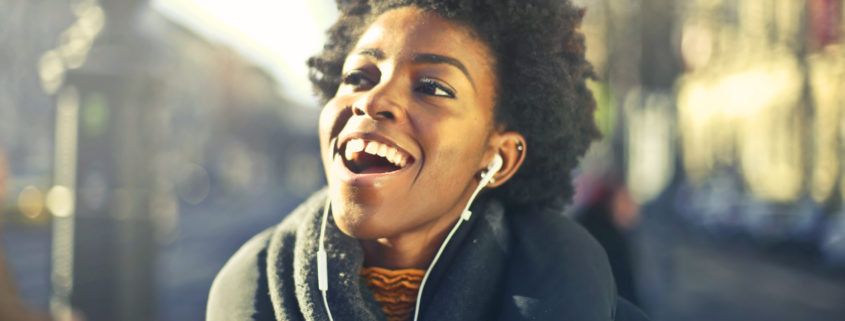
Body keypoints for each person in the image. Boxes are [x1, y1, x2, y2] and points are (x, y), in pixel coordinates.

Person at [208, 0, 648, 320]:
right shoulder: (241, 299)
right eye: (359, 76)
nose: (374, 100)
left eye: (433, 87)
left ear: (499, 157)